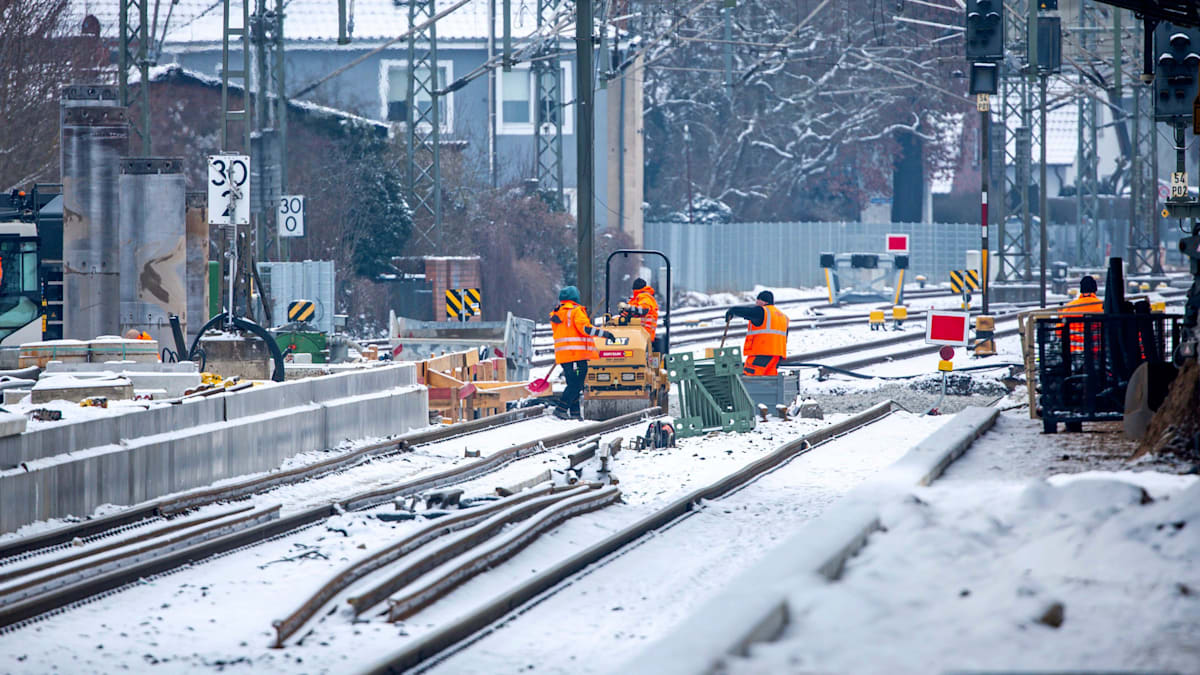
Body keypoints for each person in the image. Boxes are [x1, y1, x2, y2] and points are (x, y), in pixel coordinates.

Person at [550, 286, 615, 420]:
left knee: (572, 382)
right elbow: (585, 329)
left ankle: (575, 414)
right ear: (575, 298)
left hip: (564, 356)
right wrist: (605, 334)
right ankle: (561, 408)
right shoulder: (576, 311)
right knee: (577, 384)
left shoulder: (557, 312)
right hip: (577, 356)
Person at [725, 290, 789, 376]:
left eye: (757, 300)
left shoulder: (762, 311)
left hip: (762, 353)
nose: (756, 303)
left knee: (750, 377)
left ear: (763, 301)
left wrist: (732, 310)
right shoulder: (783, 317)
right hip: (776, 355)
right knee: (769, 380)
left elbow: (748, 312)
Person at [1059, 275, 1103, 353]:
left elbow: (1059, 331)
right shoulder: (1102, 306)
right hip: (1097, 351)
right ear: (1095, 289)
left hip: (1073, 351)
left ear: (1081, 290)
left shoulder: (1069, 307)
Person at [618, 278, 659, 342]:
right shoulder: (636, 299)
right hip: (637, 332)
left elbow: (643, 310)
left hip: (644, 333)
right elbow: (632, 313)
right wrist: (623, 312)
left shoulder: (645, 297)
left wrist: (628, 307)